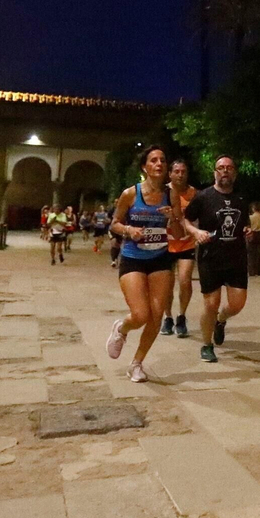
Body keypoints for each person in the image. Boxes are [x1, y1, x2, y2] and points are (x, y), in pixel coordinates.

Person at [105, 146, 185, 382]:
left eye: (162, 160)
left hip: (160, 258)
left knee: (156, 316)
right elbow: (114, 224)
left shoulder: (171, 196)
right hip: (133, 258)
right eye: (153, 160)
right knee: (140, 314)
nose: (159, 164)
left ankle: (137, 363)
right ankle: (122, 328)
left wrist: (172, 217)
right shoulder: (131, 194)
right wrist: (129, 229)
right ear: (145, 167)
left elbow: (179, 234)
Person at [184, 156, 253, 363]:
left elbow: (244, 224)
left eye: (229, 168)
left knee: (237, 304)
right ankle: (207, 345)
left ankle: (221, 321)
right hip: (210, 257)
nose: (225, 171)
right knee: (211, 304)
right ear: (215, 172)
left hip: (236, 258)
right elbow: (185, 219)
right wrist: (196, 232)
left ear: (235, 173)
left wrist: (248, 230)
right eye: (221, 168)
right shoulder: (203, 197)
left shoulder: (241, 198)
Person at [162, 159, 199, 339]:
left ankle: (181, 316)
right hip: (166, 243)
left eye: (183, 171)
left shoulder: (194, 194)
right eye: (176, 171)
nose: (180, 174)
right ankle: (167, 317)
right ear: (170, 174)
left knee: (185, 280)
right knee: (167, 285)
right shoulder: (162, 192)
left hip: (187, 243)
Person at [246, 201, 260, 276]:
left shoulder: (250, 217)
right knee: (259, 254)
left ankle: (251, 272)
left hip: (252, 235)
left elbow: (247, 227)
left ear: (253, 208)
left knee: (251, 255)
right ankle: (258, 271)